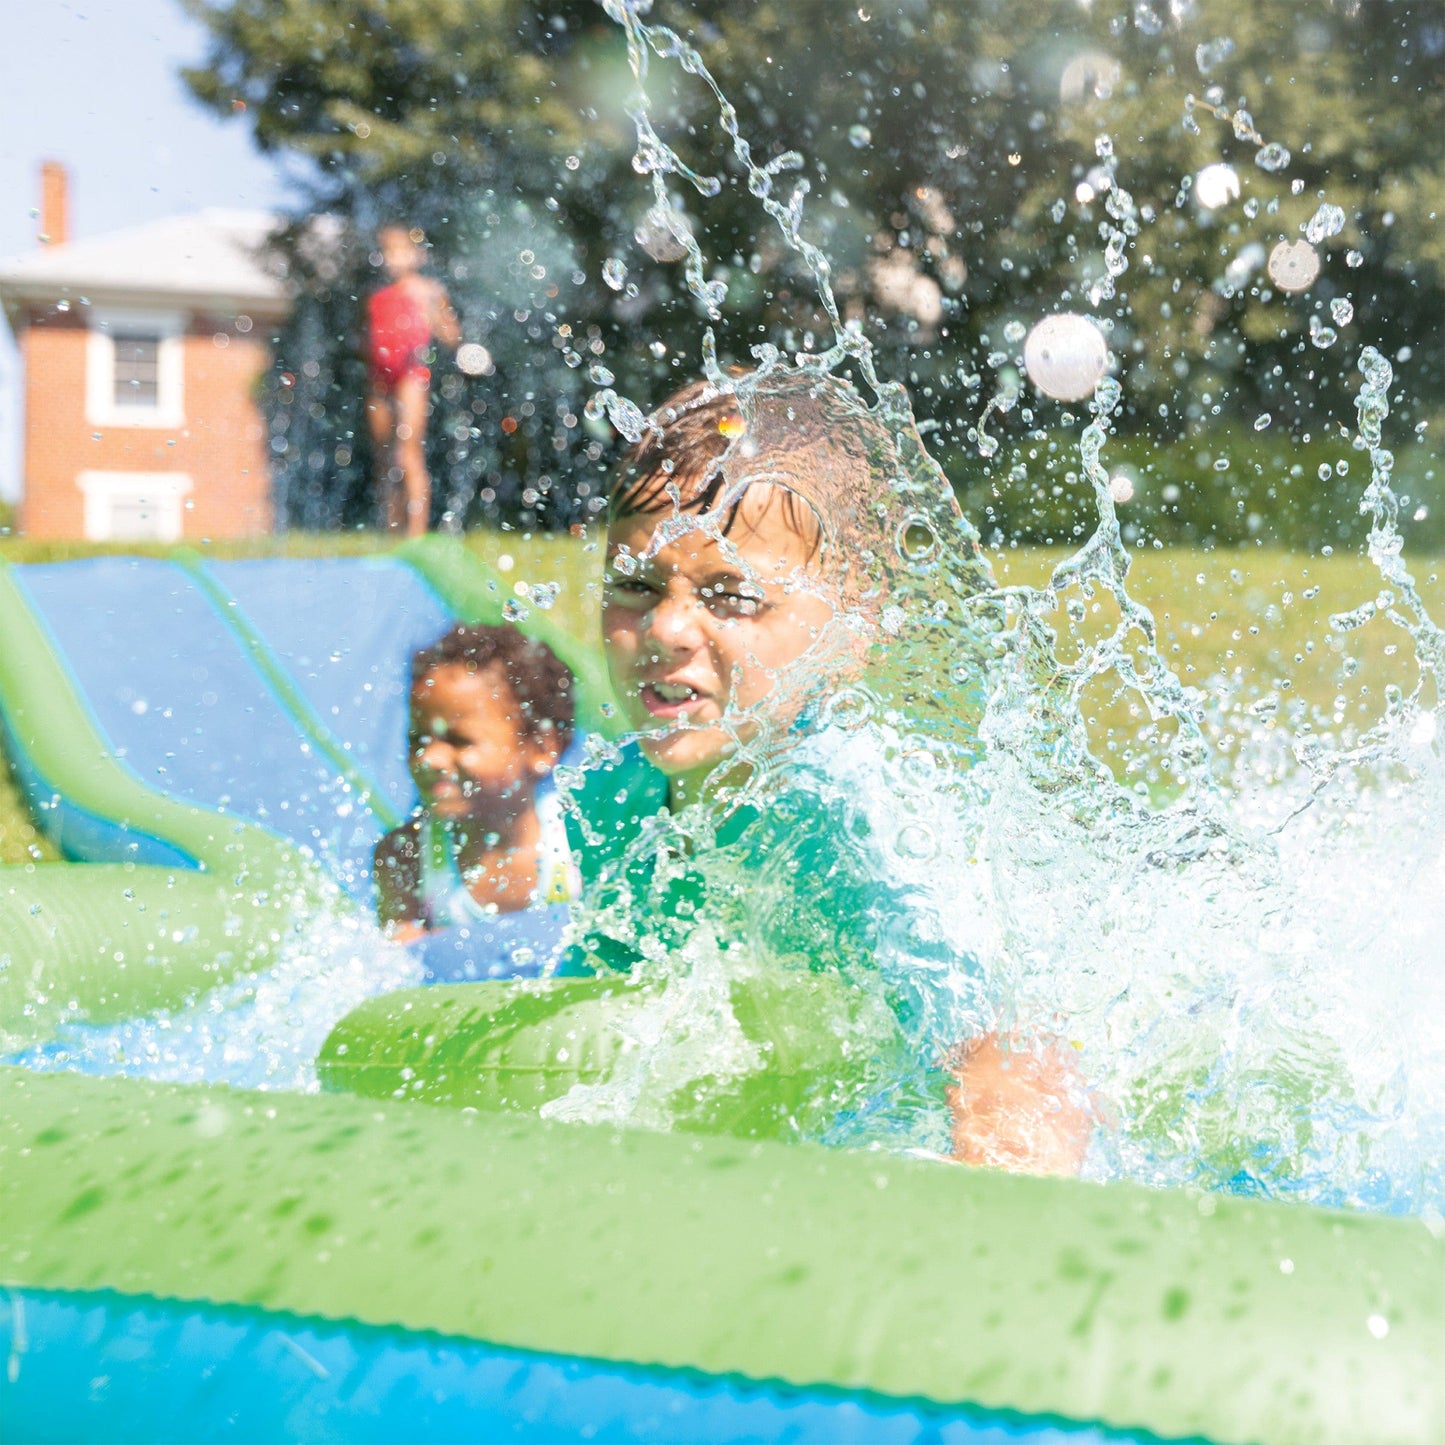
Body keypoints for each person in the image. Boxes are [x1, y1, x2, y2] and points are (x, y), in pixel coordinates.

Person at [561, 367, 1092, 1175]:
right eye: (634, 585)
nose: (666, 625)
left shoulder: (844, 815)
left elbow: (1007, 1044)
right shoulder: (608, 800)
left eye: (731, 595)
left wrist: (995, 1208)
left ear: (851, 628)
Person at [374, 624, 577, 942]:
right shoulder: (406, 856)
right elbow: (402, 973)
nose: (429, 758)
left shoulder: (578, 838)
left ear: (540, 746)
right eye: (417, 739)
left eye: (458, 740)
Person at [364, 223, 462, 537]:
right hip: (380, 379)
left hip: (411, 375)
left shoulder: (428, 290)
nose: (392, 258)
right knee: (384, 458)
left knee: (408, 452)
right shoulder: (377, 297)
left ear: (417, 255)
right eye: (386, 252)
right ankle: (392, 532)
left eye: (399, 251)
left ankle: (416, 535)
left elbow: (452, 337)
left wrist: (432, 312)